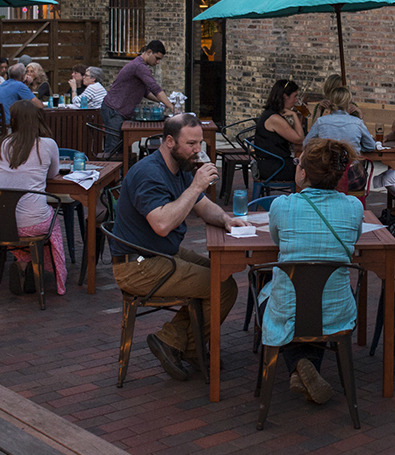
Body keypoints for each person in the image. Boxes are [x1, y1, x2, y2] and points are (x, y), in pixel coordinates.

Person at [110, 114, 240, 382]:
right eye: (191, 144)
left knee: (221, 273)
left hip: (160, 252)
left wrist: (226, 219)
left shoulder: (180, 168)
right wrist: (195, 186)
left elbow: (203, 206)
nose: (198, 151)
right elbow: (162, 224)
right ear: (169, 141)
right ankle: (181, 344)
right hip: (138, 265)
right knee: (222, 287)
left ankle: (178, 342)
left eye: (200, 143)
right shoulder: (150, 173)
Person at [259, 138, 364, 405]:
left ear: (303, 173)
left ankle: (299, 364)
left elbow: (277, 242)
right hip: (335, 311)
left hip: (290, 309)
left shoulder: (282, 206)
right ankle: (305, 367)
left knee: (272, 292)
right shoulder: (354, 208)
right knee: (318, 296)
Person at [0, 99, 69, 296]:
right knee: (48, 221)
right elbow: (52, 174)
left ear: (12, 120)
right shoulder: (47, 145)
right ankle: (41, 268)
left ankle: (24, 265)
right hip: (32, 224)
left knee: (20, 223)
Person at [255, 79, 305, 187]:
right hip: (275, 167)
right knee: (309, 171)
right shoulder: (275, 119)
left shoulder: (271, 113)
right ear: (285, 96)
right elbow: (299, 139)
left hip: (272, 163)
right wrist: (294, 115)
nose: (296, 101)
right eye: (295, 96)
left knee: (308, 166)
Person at [105, 40, 173, 118]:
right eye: (157, 58)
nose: (158, 62)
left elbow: (146, 92)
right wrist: (172, 108)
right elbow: (155, 88)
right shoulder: (140, 66)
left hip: (117, 110)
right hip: (114, 111)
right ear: (149, 52)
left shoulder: (139, 64)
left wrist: (163, 101)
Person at [303, 84, 374, 154]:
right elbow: (371, 146)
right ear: (348, 103)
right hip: (350, 164)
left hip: (327, 163)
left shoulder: (321, 121)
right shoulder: (358, 123)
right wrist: (356, 147)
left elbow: (306, 144)